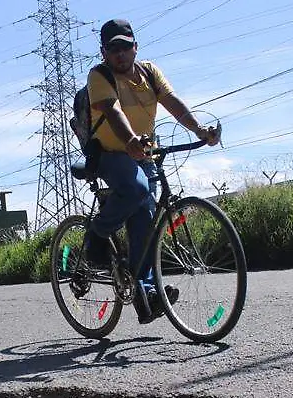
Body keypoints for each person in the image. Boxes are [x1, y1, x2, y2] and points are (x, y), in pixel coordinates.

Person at [84, 18, 220, 324]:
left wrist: (199, 130)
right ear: (104, 52)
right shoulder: (99, 75)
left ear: (135, 47)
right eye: (112, 48)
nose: (120, 53)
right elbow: (112, 111)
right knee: (139, 190)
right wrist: (130, 139)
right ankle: (98, 233)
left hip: (143, 152)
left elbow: (171, 101)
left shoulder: (149, 72)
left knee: (144, 219)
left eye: (125, 46)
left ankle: (144, 295)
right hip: (109, 153)